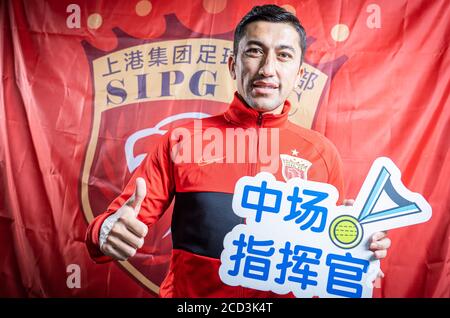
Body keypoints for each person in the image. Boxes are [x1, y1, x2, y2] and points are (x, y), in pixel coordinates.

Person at [85, 4, 390, 297]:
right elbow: (110, 226)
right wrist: (105, 231)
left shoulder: (321, 155)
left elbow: (328, 255)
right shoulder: (182, 140)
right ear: (233, 64)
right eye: (255, 51)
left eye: (284, 55)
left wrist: (358, 249)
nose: (268, 69)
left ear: (298, 75)